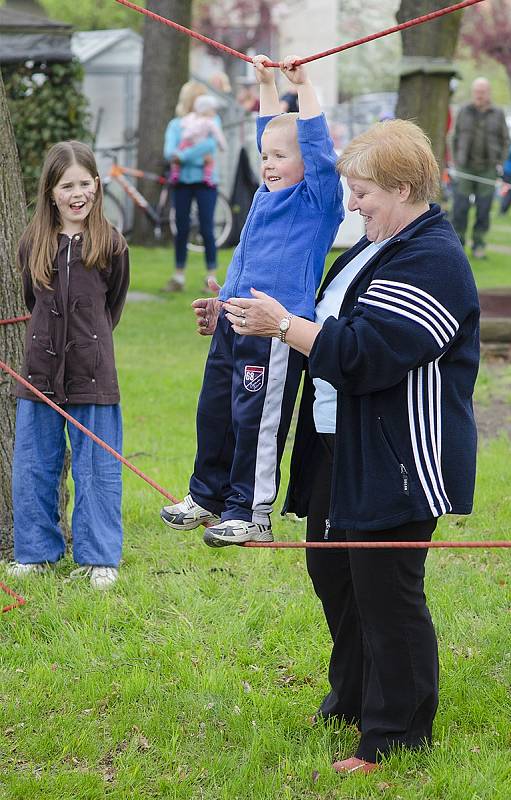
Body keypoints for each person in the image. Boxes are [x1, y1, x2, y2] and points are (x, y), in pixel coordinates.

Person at [217, 119, 480, 772]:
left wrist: (284, 327)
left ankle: (395, 734)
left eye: (361, 191)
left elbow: (367, 354)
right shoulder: (372, 247)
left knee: (386, 593)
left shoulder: (432, 260)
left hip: (395, 458)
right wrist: (256, 321)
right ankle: (353, 698)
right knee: (335, 575)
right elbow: (324, 321)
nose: (353, 204)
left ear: (400, 186)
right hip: (341, 445)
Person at [159, 54, 344, 547]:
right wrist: (265, 82)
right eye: (265, 156)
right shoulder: (266, 193)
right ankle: (207, 495)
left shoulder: (317, 200)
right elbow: (270, 131)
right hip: (233, 322)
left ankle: (250, 509)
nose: (268, 164)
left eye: (281, 157)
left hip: (274, 330)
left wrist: (302, 86)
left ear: (306, 161)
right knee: (216, 412)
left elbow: (318, 150)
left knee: (257, 421)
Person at [7, 141, 130, 591]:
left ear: (96, 186)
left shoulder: (111, 245)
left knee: (96, 467)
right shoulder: (32, 242)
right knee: (34, 464)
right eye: (67, 186)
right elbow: (29, 299)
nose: (77, 194)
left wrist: (88, 342)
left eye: (85, 184)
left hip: (93, 376)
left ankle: (99, 557)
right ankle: (36, 552)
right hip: (39, 374)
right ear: (51, 192)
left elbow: (112, 308)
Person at [162, 81, 221, 292]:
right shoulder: (175, 125)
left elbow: (211, 146)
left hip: (207, 183)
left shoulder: (213, 121)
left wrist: (184, 156)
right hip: (182, 183)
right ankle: (178, 276)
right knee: (182, 228)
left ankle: (211, 277)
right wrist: (198, 158)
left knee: (207, 228)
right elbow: (169, 153)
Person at [451, 77, 509, 259]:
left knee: (483, 208)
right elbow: (454, 137)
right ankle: (458, 244)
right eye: (476, 92)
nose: (479, 95)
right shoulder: (463, 111)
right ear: (472, 92)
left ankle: (479, 244)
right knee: (460, 207)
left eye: (482, 92)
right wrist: (455, 161)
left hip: (488, 168)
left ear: (488, 93)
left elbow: (505, 140)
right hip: (465, 167)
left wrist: (501, 161)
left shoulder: (498, 113)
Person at [169, 95, 227, 188]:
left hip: (187, 142)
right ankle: (206, 176)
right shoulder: (209, 122)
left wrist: (182, 157)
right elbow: (217, 138)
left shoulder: (193, 118)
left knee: (207, 161)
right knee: (208, 161)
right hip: (189, 143)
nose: (214, 113)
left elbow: (211, 144)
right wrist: (223, 147)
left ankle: (177, 172)